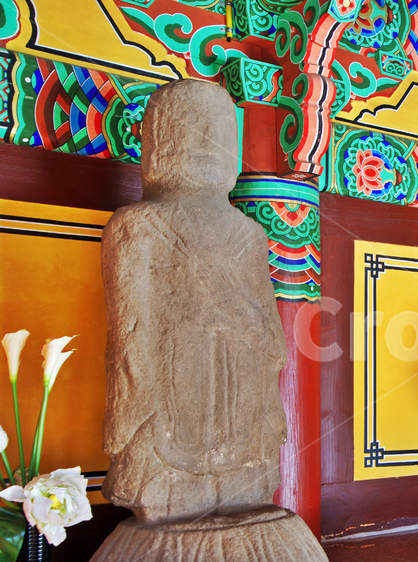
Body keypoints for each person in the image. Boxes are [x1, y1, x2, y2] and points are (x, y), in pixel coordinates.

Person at [100, 80, 288, 523]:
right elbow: (131, 334)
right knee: (160, 484)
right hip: (168, 405)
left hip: (240, 400)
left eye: (220, 132)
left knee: (252, 484)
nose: (208, 143)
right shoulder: (139, 226)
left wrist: (236, 318)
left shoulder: (249, 234)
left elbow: (273, 342)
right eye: (188, 129)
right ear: (159, 142)